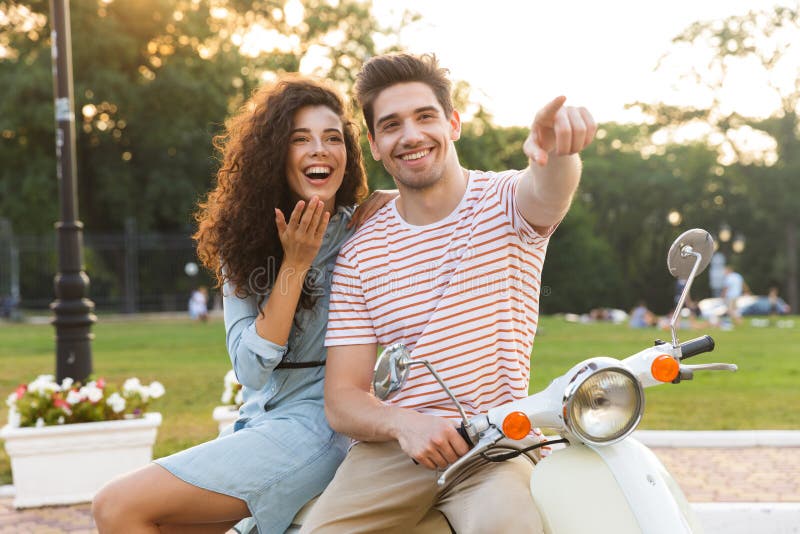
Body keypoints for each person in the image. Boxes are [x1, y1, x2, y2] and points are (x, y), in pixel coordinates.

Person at [300, 53, 596, 534]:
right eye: (391, 125)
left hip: (494, 448)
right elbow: (342, 399)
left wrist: (555, 152)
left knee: (513, 526)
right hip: (394, 454)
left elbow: (549, 191)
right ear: (374, 145)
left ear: (453, 123)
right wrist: (404, 424)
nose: (410, 135)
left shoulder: (505, 203)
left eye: (424, 117)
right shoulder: (359, 254)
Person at [92, 75, 397, 533]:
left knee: (116, 506)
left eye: (332, 138)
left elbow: (431, 198)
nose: (319, 150)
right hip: (258, 421)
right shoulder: (244, 244)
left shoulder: (365, 227)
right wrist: (294, 262)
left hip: (321, 428)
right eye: (301, 139)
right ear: (276, 155)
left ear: (348, 154)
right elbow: (251, 369)